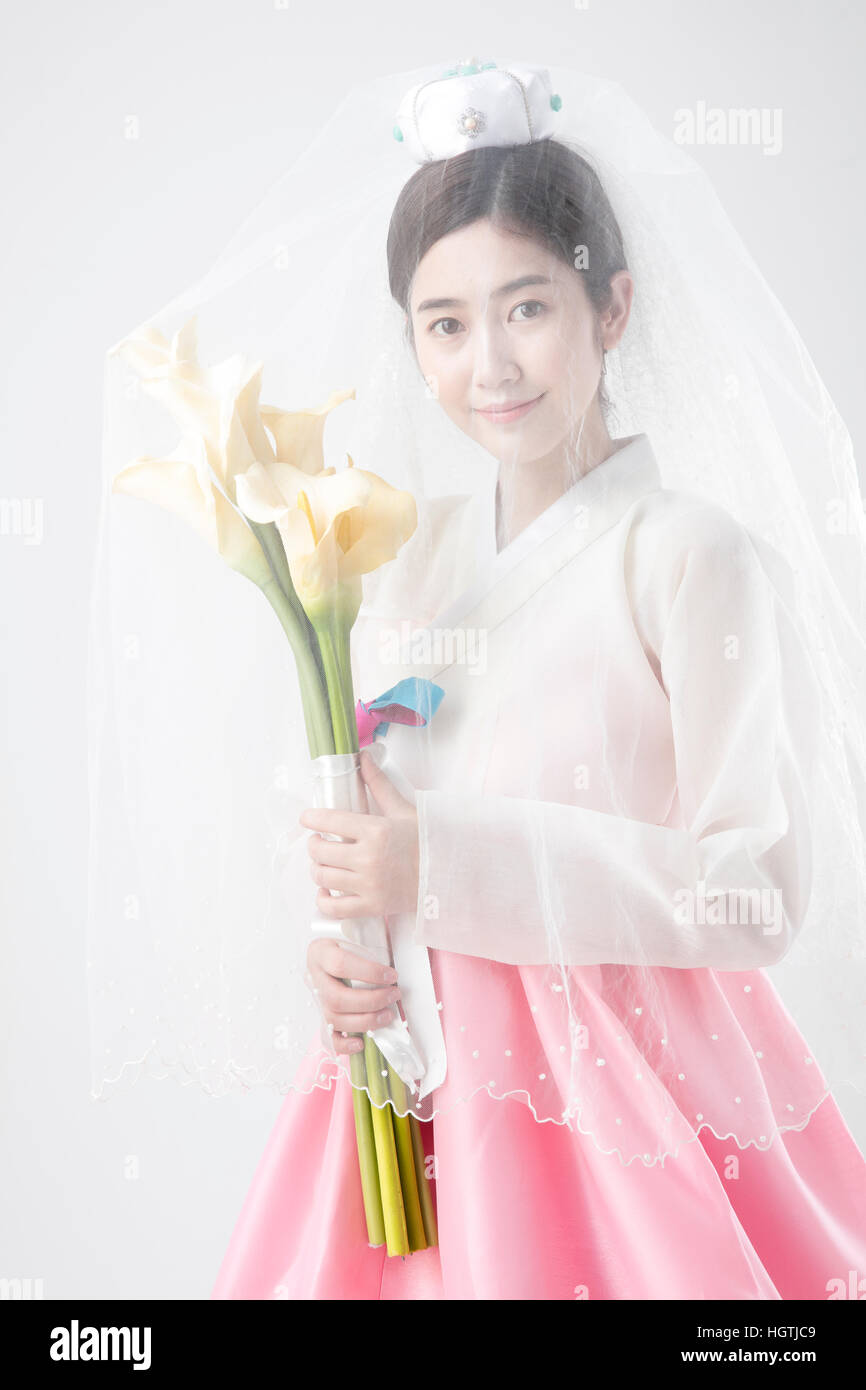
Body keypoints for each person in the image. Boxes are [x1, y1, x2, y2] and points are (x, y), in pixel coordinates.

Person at [90, 58, 866, 1300]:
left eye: (527, 307)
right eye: (444, 323)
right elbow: (379, 826)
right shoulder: (400, 558)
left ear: (609, 307)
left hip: (625, 1103)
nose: (488, 363)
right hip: (421, 1094)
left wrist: (440, 865)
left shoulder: (688, 557)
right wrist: (346, 946)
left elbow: (754, 892)